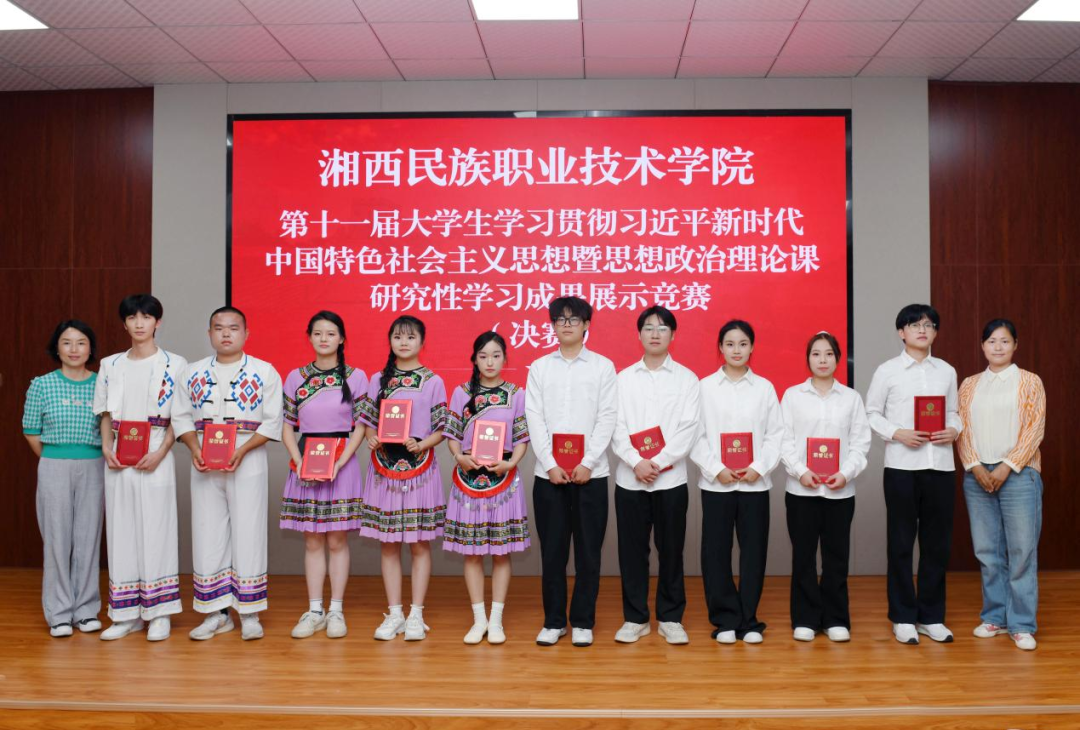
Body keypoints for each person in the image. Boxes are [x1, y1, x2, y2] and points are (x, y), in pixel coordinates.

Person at [173, 306, 283, 641]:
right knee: (207, 533)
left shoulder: (264, 371)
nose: (225, 333)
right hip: (204, 460)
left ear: (246, 334)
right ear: (209, 334)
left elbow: (273, 420)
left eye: (233, 328)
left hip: (247, 458)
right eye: (218, 327)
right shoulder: (191, 372)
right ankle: (216, 613)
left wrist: (243, 450)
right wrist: (194, 448)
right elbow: (180, 416)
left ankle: (249, 612)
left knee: (249, 532)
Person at [865, 303, 961, 645]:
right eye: (915, 324)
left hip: (940, 467)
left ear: (935, 332)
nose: (923, 330)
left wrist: (954, 429)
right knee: (901, 544)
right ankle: (903, 617)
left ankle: (932, 617)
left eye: (929, 325)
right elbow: (871, 413)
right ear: (901, 332)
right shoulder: (887, 371)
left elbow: (954, 411)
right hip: (902, 468)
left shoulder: (946, 371)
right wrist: (897, 433)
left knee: (937, 546)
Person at [93, 294, 187, 641]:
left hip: (155, 454)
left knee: (157, 531)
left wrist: (161, 451)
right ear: (124, 323)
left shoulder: (175, 364)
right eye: (132, 317)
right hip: (118, 458)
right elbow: (105, 413)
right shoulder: (110, 365)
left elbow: (181, 416)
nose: (139, 323)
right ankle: (125, 614)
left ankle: (159, 613)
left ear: (157, 322)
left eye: (146, 317)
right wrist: (107, 447)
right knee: (121, 532)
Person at [525, 296, 617, 647]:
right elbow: (534, 418)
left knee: (588, 551)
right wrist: (550, 463)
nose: (566, 325)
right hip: (548, 476)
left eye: (573, 319)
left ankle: (582, 620)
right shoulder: (539, 367)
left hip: (591, 474)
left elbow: (607, 417)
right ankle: (553, 621)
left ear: (586, 325)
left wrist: (588, 462)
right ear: (552, 325)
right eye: (560, 319)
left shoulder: (603, 367)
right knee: (552, 552)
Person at [609, 306, 700, 645]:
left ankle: (671, 617)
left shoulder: (687, 379)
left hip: (671, 481)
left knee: (672, 551)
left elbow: (688, 428)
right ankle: (635, 618)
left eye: (662, 328)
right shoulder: (623, 379)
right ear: (639, 335)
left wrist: (657, 463)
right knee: (632, 552)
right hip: (630, 479)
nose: (655, 333)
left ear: (673, 335)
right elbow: (614, 425)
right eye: (649, 328)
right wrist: (636, 461)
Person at [690, 319, 783, 645]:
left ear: (752, 347)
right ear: (720, 348)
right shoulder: (704, 387)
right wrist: (716, 469)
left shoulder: (764, 388)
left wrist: (759, 467)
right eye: (730, 344)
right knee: (715, 552)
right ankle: (725, 619)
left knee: (753, 552)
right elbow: (695, 434)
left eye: (743, 344)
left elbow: (776, 434)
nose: (736, 350)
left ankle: (748, 620)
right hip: (717, 484)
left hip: (755, 484)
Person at [957, 319, 1046, 651]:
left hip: (1020, 475)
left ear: (1015, 345)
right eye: (992, 341)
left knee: (1022, 551)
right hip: (977, 474)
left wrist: (1007, 466)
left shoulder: (1030, 381)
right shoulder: (969, 384)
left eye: (1005, 341)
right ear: (983, 346)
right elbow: (962, 429)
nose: (998, 347)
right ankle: (995, 616)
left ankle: (1021, 624)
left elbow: (1035, 429)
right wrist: (975, 466)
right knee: (987, 551)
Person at [357, 316, 448, 642]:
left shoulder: (433, 381)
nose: (404, 342)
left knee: (420, 543)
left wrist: (422, 444)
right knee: (389, 542)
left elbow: (442, 428)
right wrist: (371, 437)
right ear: (390, 341)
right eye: (398, 337)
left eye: (410, 337)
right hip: (385, 469)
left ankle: (416, 614)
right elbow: (368, 421)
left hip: (420, 470)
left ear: (422, 342)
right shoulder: (377, 379)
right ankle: (394, 613)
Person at [278, 311, 368, 640]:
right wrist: (299, 460)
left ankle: (336, 610)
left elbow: (361, 426)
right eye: (318, 333)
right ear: (310, 337)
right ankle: (314, 610)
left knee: (337, 539)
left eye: (331, 333)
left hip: (342, 464)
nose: (324, 339)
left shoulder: (356, 377)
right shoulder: (295, 377)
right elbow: (287, 426)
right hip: (305, 464)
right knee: (312, 538)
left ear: (341, 338)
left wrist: (341, 461)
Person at [779, 332, 871, 643]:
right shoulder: (793, 396)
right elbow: (784, 440)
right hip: (801, 491)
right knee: (803, 556)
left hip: (839, 492)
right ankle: (805, 618)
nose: (822, 360)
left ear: (838, 359)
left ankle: (835, 619)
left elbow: (861, 443)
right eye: (816, 354)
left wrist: (845, 473)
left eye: (829, 354)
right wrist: (801, 471)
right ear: (808, 359)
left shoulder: (851, 398)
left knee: (836, 557)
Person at [442, 331, 531, 645]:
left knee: (501, 552)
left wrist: (511, 463)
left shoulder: (516, 394)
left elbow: (521, 438)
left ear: (505, 358)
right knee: (472, 552)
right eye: (483, 356)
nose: (490, 362)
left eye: (496, 355)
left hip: (503, 479)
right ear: (475, 359)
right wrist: (459, 457)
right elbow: (452, 434)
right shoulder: (461, 392)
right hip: (468, 480)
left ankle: (496, 620)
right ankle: (478, 619)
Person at [22, 320, 105, 638]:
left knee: (88, 539)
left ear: (90, 348)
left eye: (81, 342)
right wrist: (54, 458)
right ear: (56, 348)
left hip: (94, 465)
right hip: (53, 465)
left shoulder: (102, 384)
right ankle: (58, 614)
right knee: (57, 539)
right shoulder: (41, 385)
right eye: (67, 342)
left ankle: (85, 611)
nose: (74, 349)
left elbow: (109, 428)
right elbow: (31, 431)